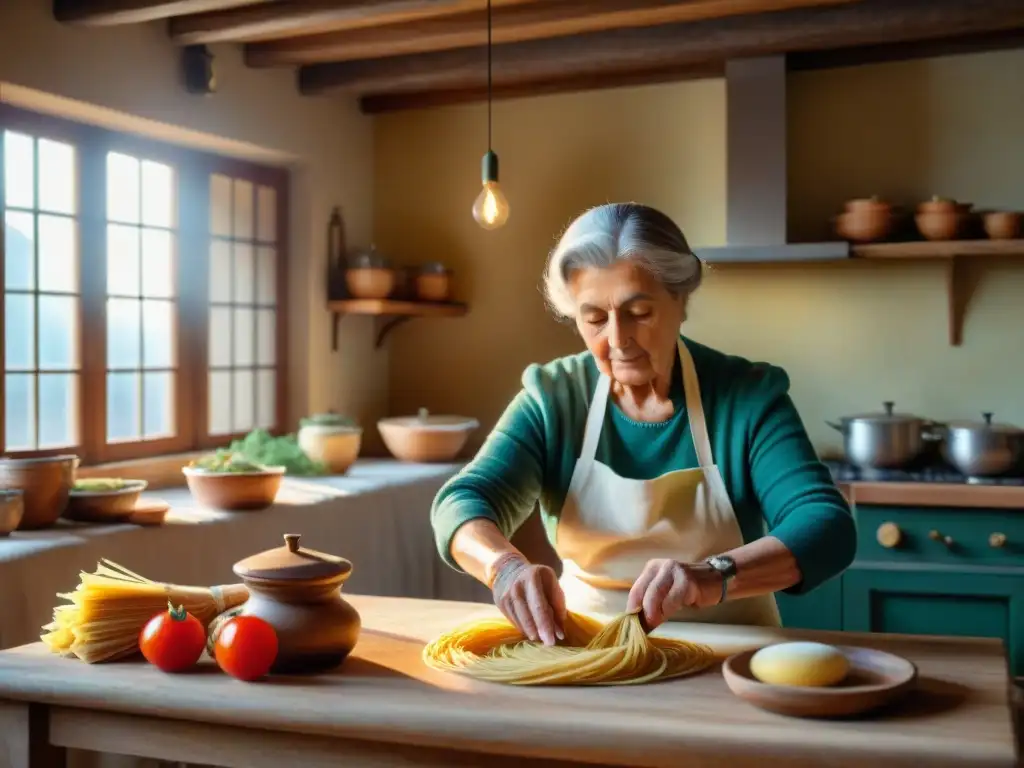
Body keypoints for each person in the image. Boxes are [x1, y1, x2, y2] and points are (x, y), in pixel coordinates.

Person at [430, 203, 856, 646]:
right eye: (594, 318)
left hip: (730, 654)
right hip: (587, 651)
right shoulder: (553, 398)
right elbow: (462, 501)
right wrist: (505, 567)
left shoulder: (746, 396)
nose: (617, 339)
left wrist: (714, 574)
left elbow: (825, 524)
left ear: (680, 300)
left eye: (639, 312)